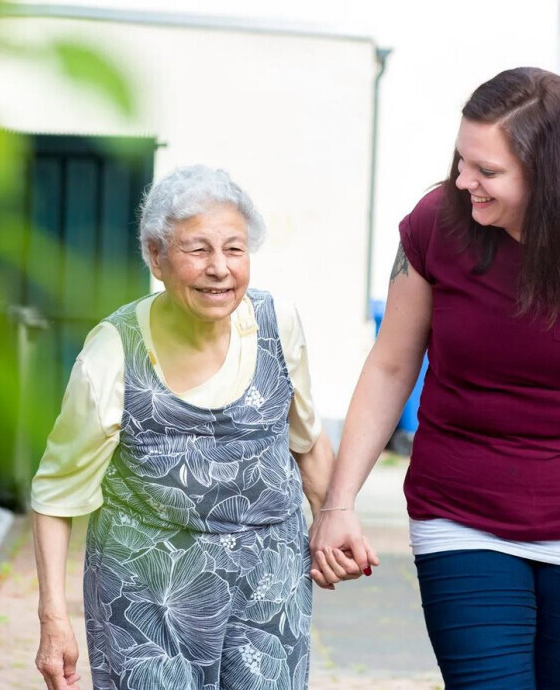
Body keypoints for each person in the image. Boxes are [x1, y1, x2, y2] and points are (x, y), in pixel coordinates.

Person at [309, 66, 560, 689]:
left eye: (487, 171)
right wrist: (338, 502)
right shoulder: (436, 225)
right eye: (461, 160)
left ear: (552, 173)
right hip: (460, 517)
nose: (464, 181)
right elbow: (390, 365)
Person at [30, 164, 333, 690]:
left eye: (234, 249)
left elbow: (306, 443)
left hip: (268, 587)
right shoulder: (113, 349)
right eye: (198, 249)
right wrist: (53, 620)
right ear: (156, 257)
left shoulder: (278, 325)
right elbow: (56, 494)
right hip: (147, 591)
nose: (220, 268)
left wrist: (335, 518)